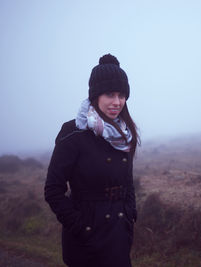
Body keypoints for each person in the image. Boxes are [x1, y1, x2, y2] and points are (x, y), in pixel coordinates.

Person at [45, 54, 139, 267]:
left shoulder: (124, 135)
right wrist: (81, 227)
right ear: (95, 95)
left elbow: (128, 182)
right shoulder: (73, 133)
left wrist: (130, 215)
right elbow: (53, 190)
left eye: (122, 95)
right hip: (86, 240)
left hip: (119, 234)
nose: (117, 102)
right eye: (109, 94)